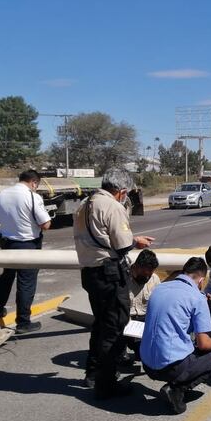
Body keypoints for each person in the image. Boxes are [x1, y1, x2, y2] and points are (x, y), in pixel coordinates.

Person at [73, 168, 154, 399]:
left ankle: (92, 373)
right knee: (114, 327)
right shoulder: (113, 206)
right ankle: (106, 383)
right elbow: (121, 244)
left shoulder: (85, 204)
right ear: (122, 191)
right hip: (109, 273)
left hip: (90, 273)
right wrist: (135, 241)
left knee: (100, 325)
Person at [141, 257, 211, 414]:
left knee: (189, 348)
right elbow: (203, 343)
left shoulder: (160, 288)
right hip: (169, 367)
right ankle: (176, 389)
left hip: (147, 364)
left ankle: (177, 381)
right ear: (201, 280)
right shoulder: (197, 297)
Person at [0, 169, 52, 334]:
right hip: (27, 245)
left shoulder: (2, 195)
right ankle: (23, 322)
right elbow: (45, 224)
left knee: (7, 277)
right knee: (26, 283)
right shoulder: (32, 196)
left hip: (7, 244)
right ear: (34, 182)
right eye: (36, 186)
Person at [129, 249, 161, 319]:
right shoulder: (122, 278)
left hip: (146, 319)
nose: (146, 278)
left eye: (149, 274)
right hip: (126, 320)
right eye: (143, 274)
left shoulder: (154, 279)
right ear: (135, 267)